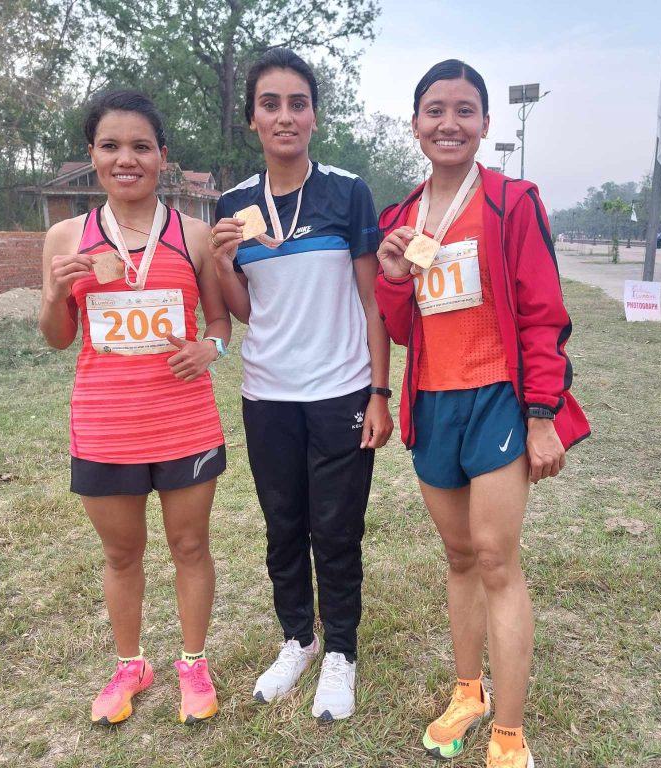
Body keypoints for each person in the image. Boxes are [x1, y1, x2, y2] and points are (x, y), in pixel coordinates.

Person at [374, 60, 590, 768]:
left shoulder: (511, 201)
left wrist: (541, 415)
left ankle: (510, 732)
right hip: (432, 403)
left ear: (486, 124)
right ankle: (469, 693)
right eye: (435, 110)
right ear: (415, 124)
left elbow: (543, 314)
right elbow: (401, 327)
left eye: (465, 110)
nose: (449, 123)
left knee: (496, 558)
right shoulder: (399, 219)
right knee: (459, 556)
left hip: (498, 397)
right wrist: (393, 277)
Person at [209, 48, 393, 722]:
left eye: (298, 103)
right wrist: (222, 262)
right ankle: (299, 639)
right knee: (283, 525)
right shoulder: (234, 205)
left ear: (314, 116)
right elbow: (247, 310)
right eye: (270, 104)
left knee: (336, 529)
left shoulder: (347, 192)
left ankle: (340, 649)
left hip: (341, 390)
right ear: (252, 119)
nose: (285, 116)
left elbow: (373, 301)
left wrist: (380, 393)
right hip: (268, 395)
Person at [39, 90, 231, 727]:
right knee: (121, 555)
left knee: (190, 546)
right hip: (105, 425)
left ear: (162, 157)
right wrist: (56, 294)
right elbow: (58, 337)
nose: (127, 159)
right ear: (92, 156)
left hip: (184, 421)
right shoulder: (66, 236)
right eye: (111, 146)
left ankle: (193, 663)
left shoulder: (193, 234)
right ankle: (130, 666)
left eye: (141, 146)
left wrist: (210, 348)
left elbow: (220, 323)